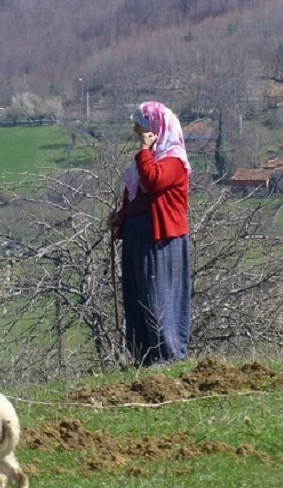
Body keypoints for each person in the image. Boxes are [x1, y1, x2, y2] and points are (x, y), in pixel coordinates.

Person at [110, 101, 192, 367]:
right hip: (138, 236)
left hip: (160, 239)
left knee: (157, 294)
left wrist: (144, 150)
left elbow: (153, 181)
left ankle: (167, 353)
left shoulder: (174, 161)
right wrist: (121, 219)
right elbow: (134, 198)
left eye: (142, 126)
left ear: (157, 128)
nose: (138, 131)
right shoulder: (145, 163)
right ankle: (143, 354)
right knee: (138, 294)